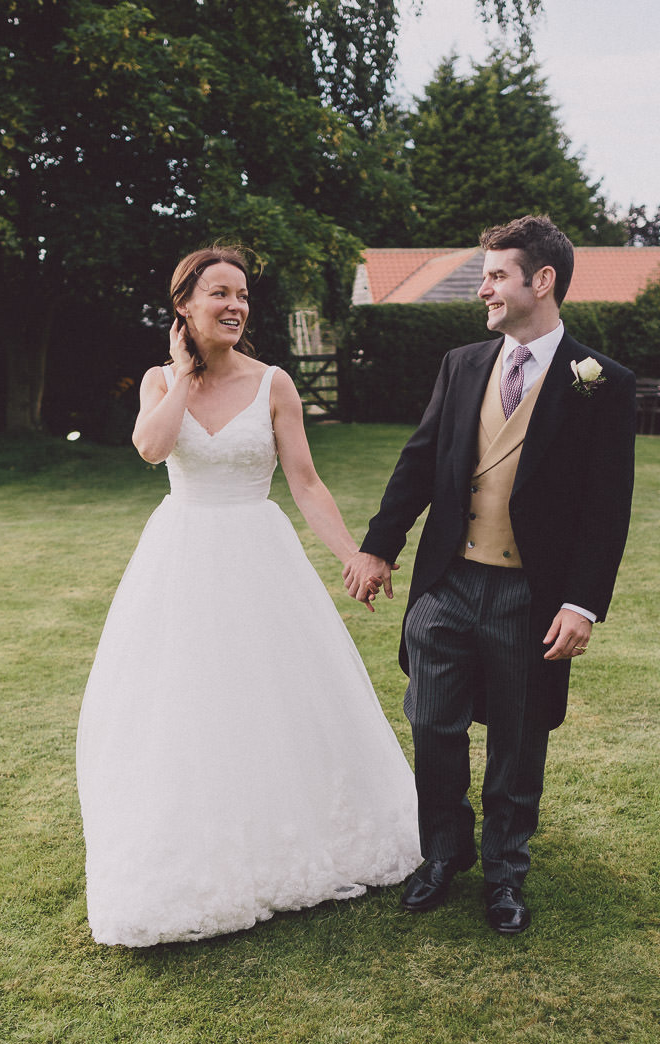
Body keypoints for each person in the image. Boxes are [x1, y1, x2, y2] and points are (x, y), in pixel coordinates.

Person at [76, 246, 420, 948]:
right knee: (186, 703)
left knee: (274, 696)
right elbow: (150, 447)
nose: (235, 305)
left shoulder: (274, 384)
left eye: (242, 295)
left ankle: (296, 835)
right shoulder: (155, 380)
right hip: (181, 557)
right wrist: (180, 375)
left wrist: (354, 554)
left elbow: (306, 483)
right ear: (184, 308)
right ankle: (196, 848)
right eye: (219, 294)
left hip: (260, 555)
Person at [342, 215, 636, 935]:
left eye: (498, 274)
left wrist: (583, 604)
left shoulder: (602, 382)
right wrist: (380, 547)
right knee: (431, 723)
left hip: (528, 595)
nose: (486, 288)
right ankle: (443, 853)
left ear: (542, 281)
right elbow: (419, 460)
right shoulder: (462, 364)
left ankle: (506, 872)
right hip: (447, 584)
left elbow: (608, 506)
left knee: (518, 735)